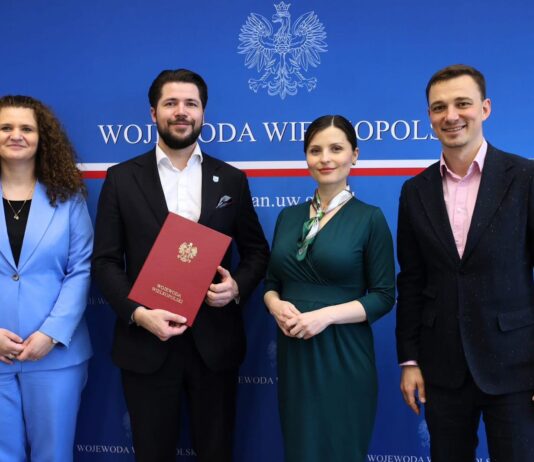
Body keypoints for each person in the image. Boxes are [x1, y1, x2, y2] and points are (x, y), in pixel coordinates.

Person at [92, 68, 269, 462]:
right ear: (153, 113)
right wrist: (139, 314)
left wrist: (236, 288)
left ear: (203, 112)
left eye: (191, 103)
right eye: (170, 103)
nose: (181, 111)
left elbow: (257, 252)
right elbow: (105, 261)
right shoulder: (121, 179)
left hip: (215, 346)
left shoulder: (232, 180)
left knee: (216, 452)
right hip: (146, 343)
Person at [396, 64, 534, 461]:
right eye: (439, 107)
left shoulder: (525, 178)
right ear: (429, 116)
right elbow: (412, 280)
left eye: (462, 103)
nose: (451, 115)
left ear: (485, 108)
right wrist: (409, 360)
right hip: (442, 369)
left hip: (516, 366)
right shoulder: (414, 191)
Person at [264, 115, 395, 461]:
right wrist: (275, 305)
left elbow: (384, 297)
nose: (325, 158)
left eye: (336, 149)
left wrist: (324, 317)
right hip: (295, 355)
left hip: (343, 354)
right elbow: (272, 283)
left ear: (354, 155)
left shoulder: (370, 218)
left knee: (340, 448)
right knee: (301, 449)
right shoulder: (288, 217)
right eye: (315, 150)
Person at [0, 95, 93, 461]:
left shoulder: (68, 197)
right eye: (5, 127)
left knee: (53, 455)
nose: (15, 135)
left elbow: (81, 268)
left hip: (55, 355)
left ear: (43, 138)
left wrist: (52, 333)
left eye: (26, 128)